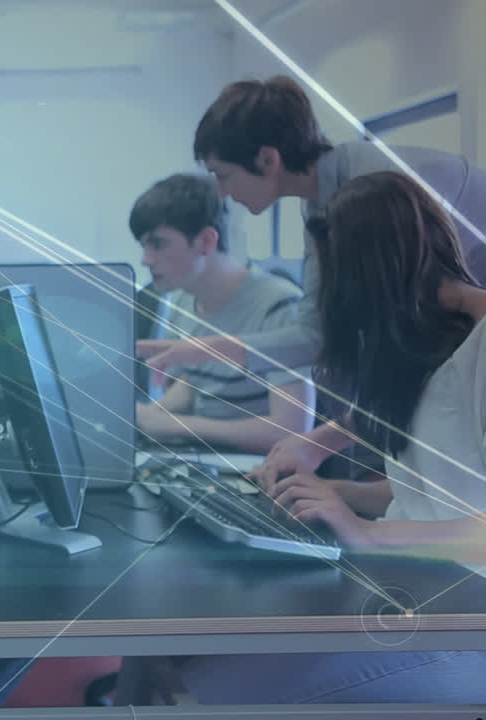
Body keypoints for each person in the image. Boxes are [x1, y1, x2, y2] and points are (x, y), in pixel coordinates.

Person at [177, 171, 486, 704]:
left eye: (330, 282)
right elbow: (442, 477)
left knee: (209, 690)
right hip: (414, 588)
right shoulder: (430, 341)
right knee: (190, 665)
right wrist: (341, 486)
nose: (324, 305)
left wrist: (364, 532)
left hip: (463, 623)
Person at [137, 75, 486, 482]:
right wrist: (197, 350)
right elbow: (314, 335)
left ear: (268, 159)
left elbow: (403, 354)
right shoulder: (323, 205)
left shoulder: (377, 193)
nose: (223, 193)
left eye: (223, 174)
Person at [130, 174, 314, 454]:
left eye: (158, 244)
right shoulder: (180, 300)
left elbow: (291, 429)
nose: (146, 259)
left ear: (205, 241)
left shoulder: (278, 304)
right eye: (144, 246)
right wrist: (139, 417)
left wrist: (173, 425)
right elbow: (195, 388)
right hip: (203, 464)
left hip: (258, 476)